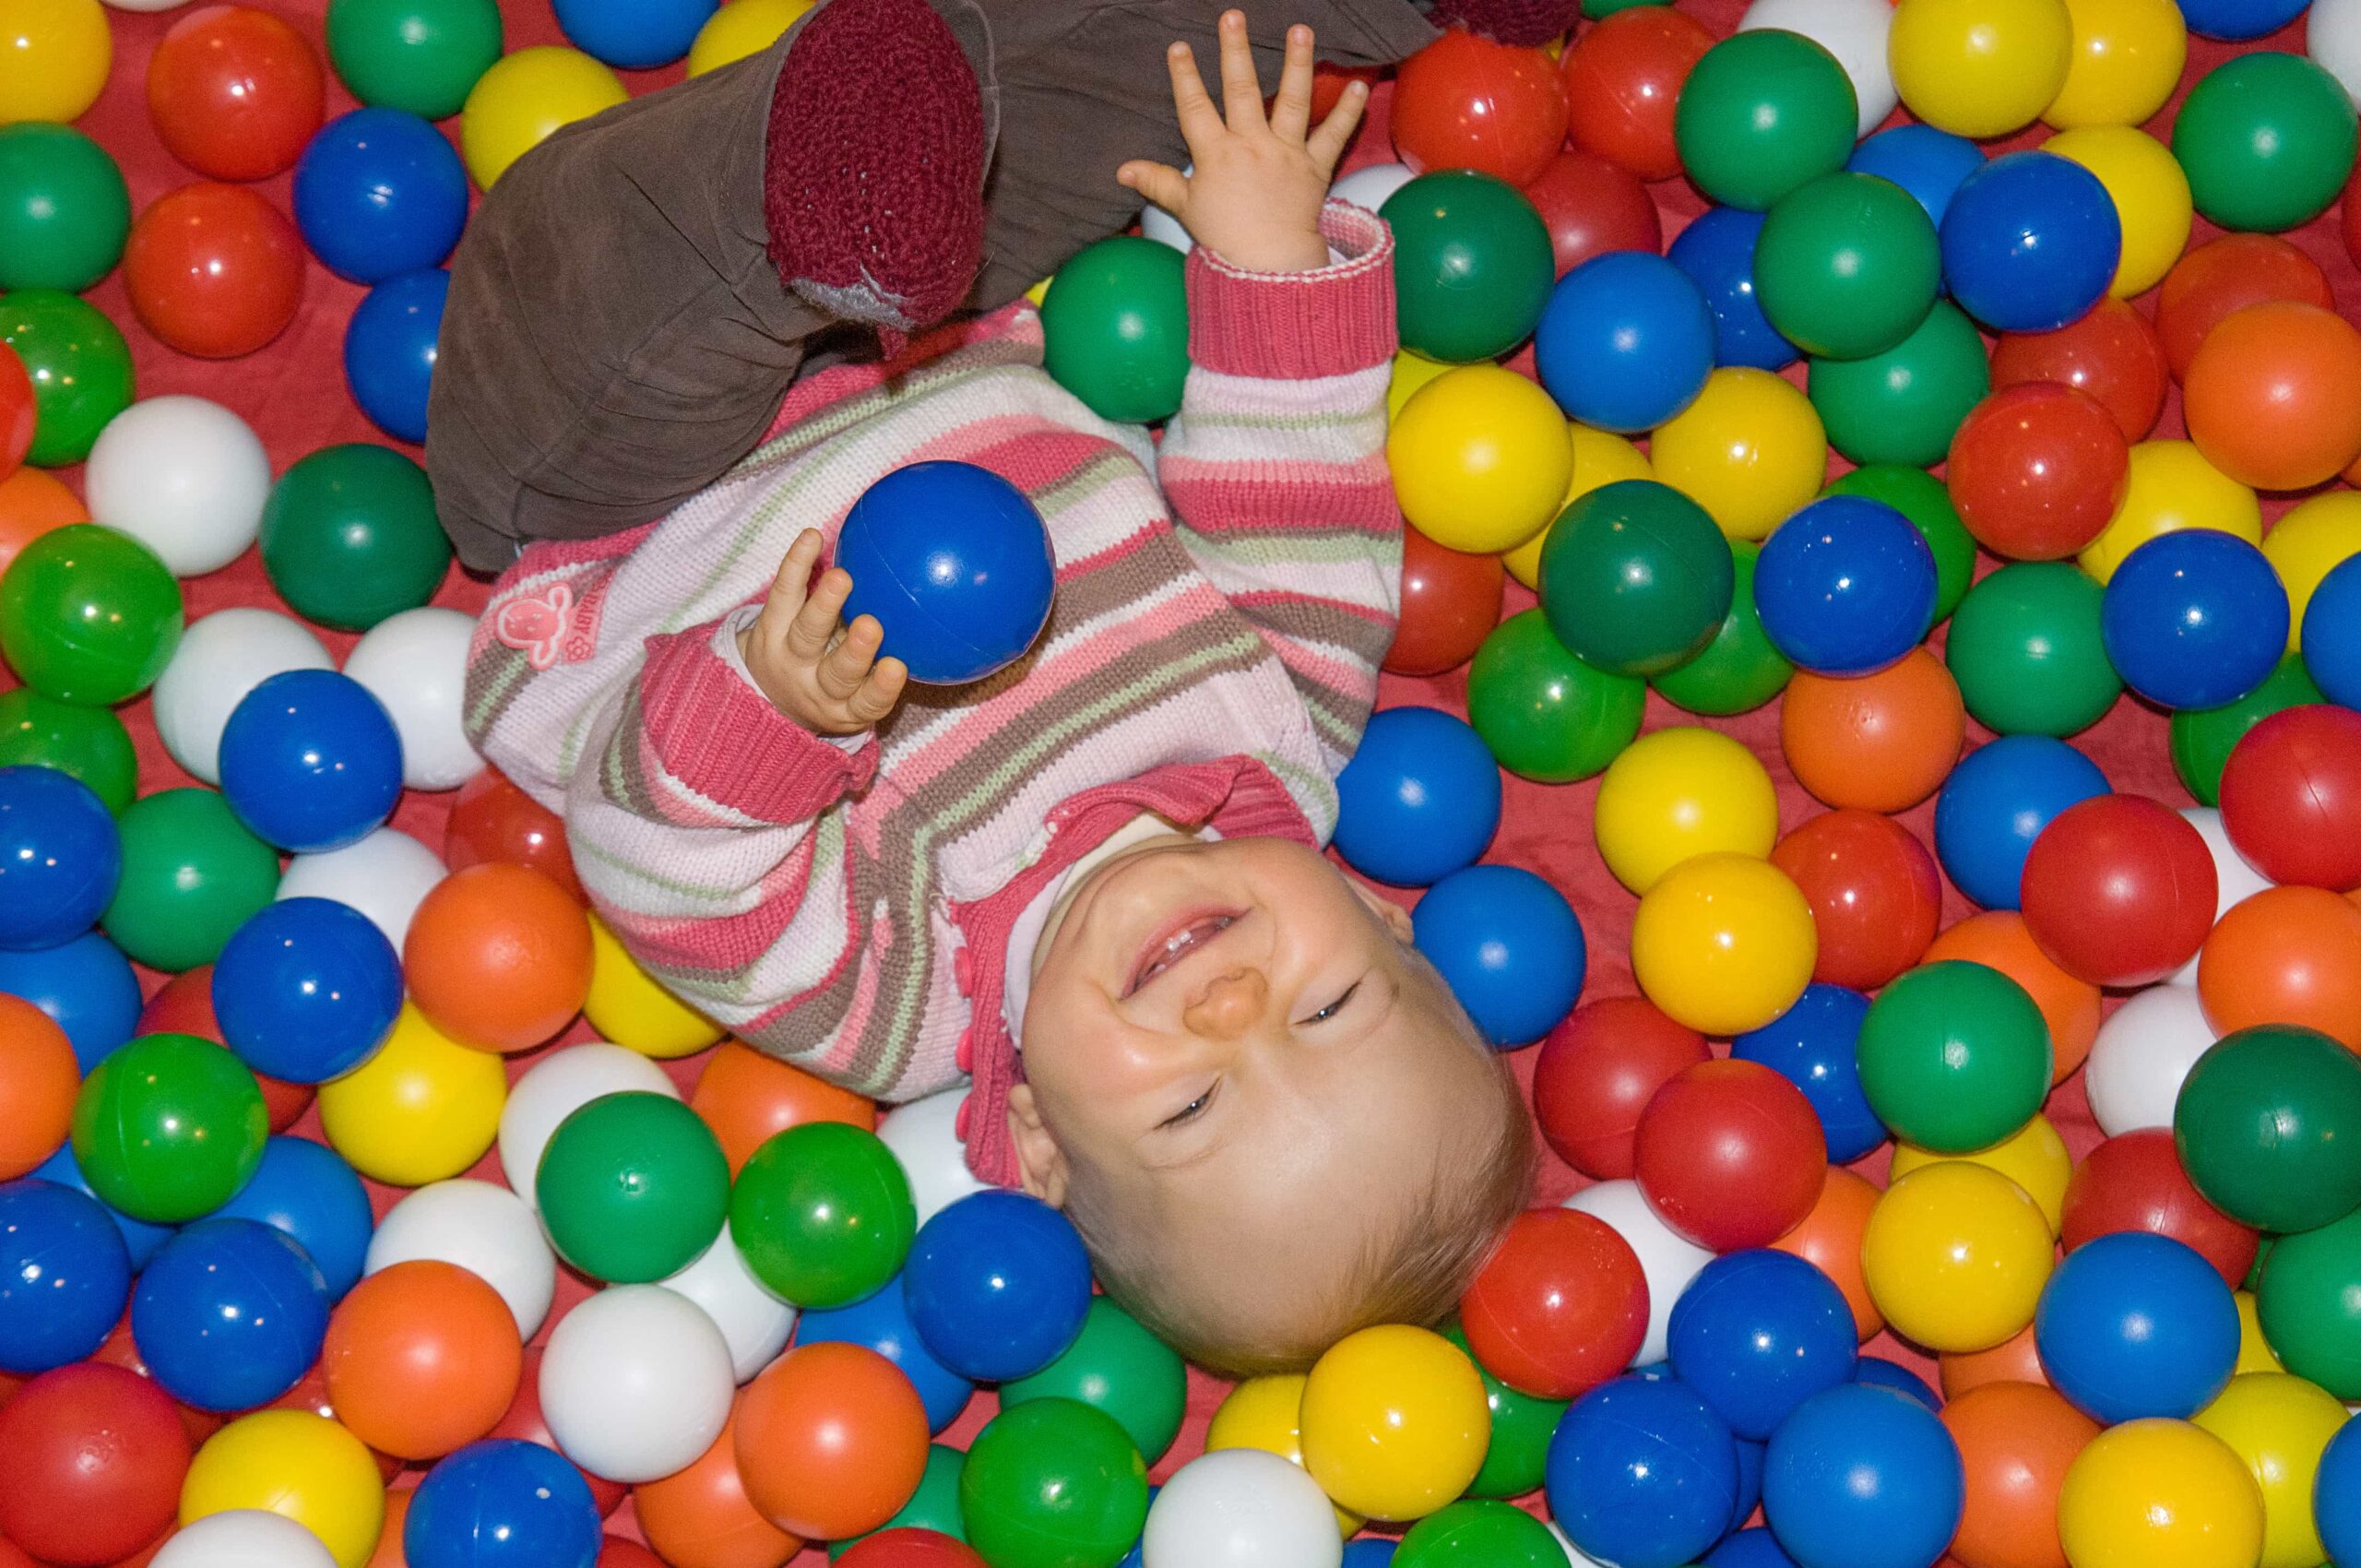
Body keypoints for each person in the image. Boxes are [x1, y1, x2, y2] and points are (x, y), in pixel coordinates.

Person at [462, 13, 1534, 1377]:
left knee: (615, 266)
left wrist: (780, 706)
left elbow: (671, 873)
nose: (1231, 1009)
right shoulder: (1285, 733)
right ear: (1384, 915)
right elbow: (1301, 490)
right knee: (1128, 88)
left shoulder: (898, 998)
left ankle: (816, 208)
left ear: (1036, 1142)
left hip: (628, 491)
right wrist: (1264, 249)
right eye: (1326, 1010)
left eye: (1194, 1109)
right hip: (948, 321)